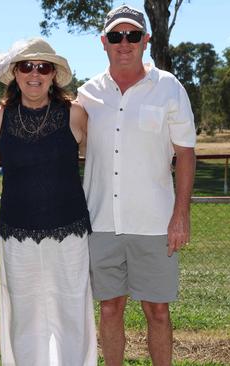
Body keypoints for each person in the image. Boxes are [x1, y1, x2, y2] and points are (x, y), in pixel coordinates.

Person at [76, 5, 197, 366]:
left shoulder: (169, 88)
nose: (124, 43)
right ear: (104, 42)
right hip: (101, 222)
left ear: (146, 40)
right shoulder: (87, 95)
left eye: (132, 35)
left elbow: (186, 155)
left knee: (157, 311)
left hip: (154, 223)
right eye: (116, 36)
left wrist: (181, 216)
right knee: (110, 309)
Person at [0, 37, 97, 366]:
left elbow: (104, 159)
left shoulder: (75, 114)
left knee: (72, 312)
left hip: (70, 232)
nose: (35, 73)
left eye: (43, 67)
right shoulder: (0, 118)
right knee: (25, 317)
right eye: (26, 67)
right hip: (17, 233)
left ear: (53, 75)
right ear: (15, 74)